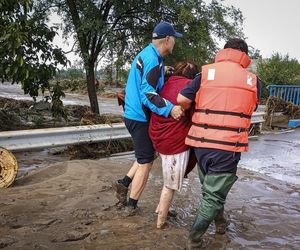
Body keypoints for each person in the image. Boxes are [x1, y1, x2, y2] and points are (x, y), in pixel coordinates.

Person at [177, 38, 261, 248]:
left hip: (201, 144)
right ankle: (194, 240)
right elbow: (253, 106)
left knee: (210, 190)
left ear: (224, 52)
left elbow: (181, 100)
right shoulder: (253, 80)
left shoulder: (205, 73)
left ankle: (221, 224)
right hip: (228, 147)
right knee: (213, 196)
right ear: (244, 55)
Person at [113, 21, 184, 215]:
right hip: (140, 117)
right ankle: (131, 206)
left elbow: (149, 79)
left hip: (133, 114)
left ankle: (124, 183)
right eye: (174, 39)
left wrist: (165, 71)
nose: (175, 43)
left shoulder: (151, 55)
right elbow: (148, 93)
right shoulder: (153, 60)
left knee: (147, 154)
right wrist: (170, 109)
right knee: (146, 161)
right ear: (167, 40)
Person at [148, 61, 199, 229]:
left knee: (168, 176)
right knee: (170, 184)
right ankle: (160, 223)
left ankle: (160, 209)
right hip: (173, 142)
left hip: (158, 138)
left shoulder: (166, 84)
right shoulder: (189, 88)